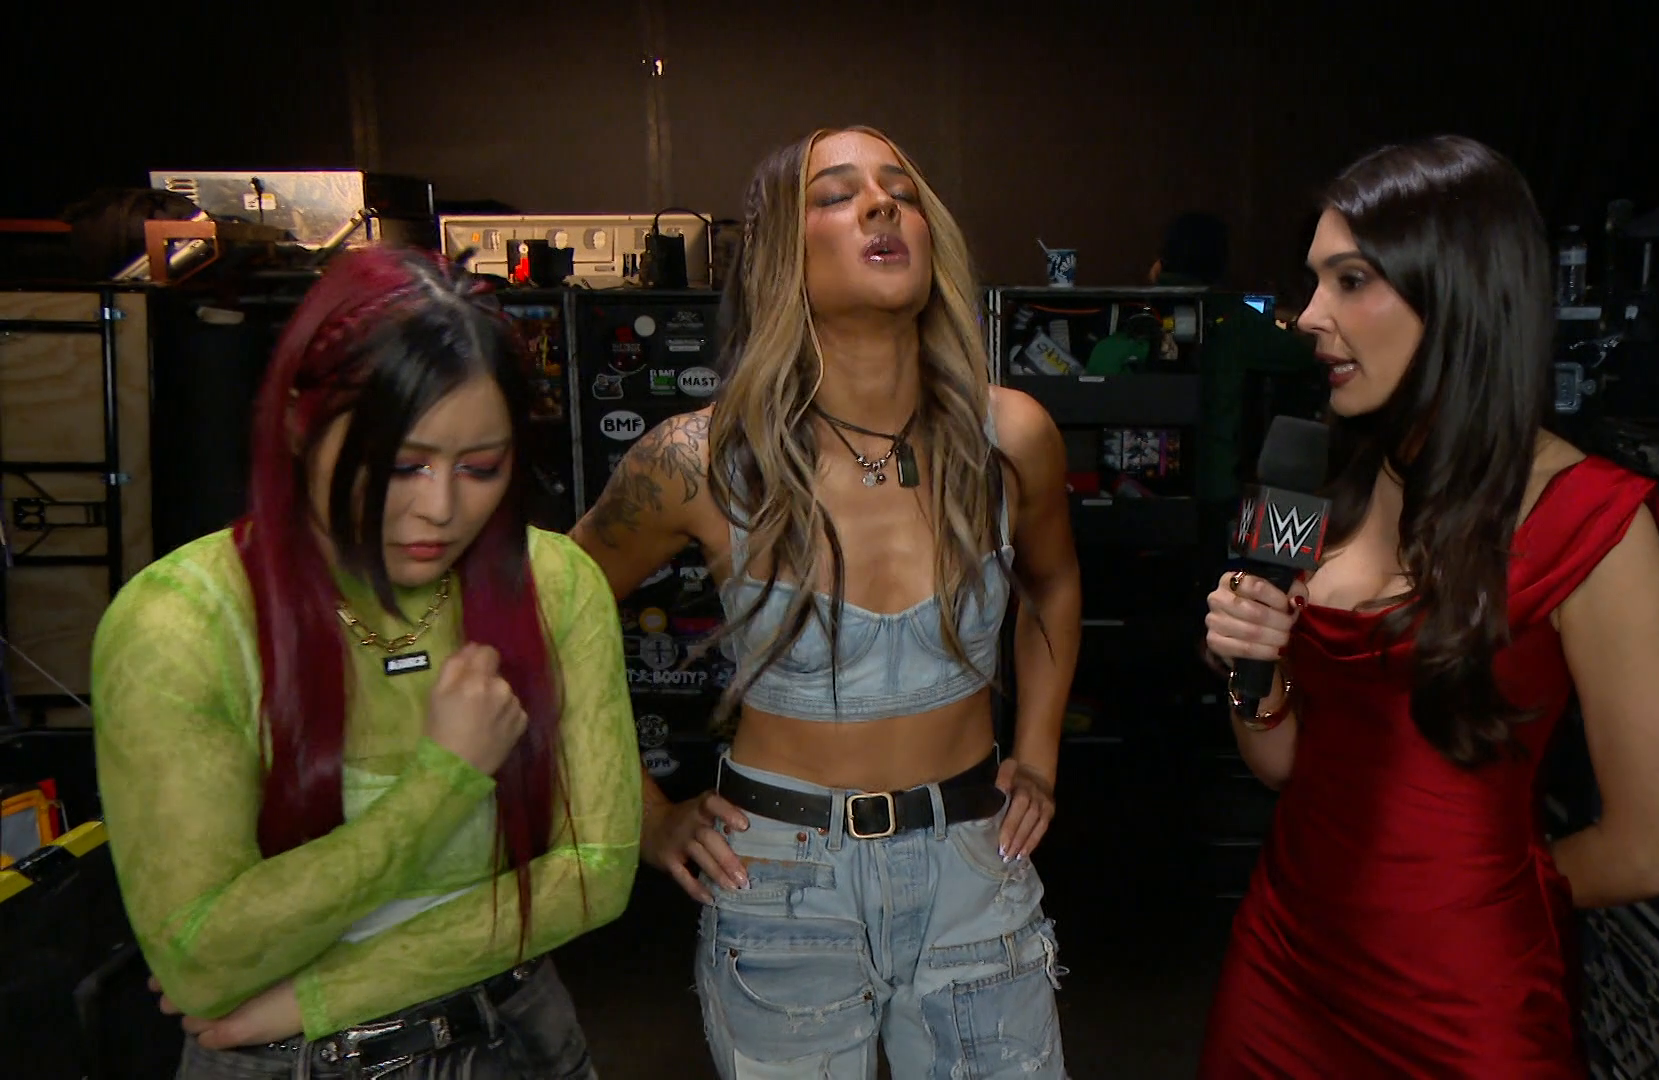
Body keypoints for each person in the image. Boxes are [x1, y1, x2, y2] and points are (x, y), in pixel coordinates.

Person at [569, 125, 1081, 1079]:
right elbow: (551, 613)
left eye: (901, 191)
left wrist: (1041, 758)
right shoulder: (698, 460)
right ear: (778, 250)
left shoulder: (1010, 436)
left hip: (974, 868)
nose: (882, 205)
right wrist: (643, 814)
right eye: (837, 194)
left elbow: (1051, 582)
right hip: (780, 882)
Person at [1196, 136, 1659, 1078]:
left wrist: (1467, 896)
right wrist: (1251, 668)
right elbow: (1281, 765)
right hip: (1282, 972)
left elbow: (1657, 848)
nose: (1309, 316)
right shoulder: (1310, 484)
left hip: (1460, 1009)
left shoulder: (1592, 522)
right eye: (1314, 282)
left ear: (1461, 296)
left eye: (1350, 281)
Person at [90, 247, 641, 1078]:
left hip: (514, 1039)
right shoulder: (183, 620)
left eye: (480, 468)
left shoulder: (555, 583)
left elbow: (597, 873)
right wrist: (446, 778)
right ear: (297, 425)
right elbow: (201, 957)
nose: (440, 508)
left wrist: (322, 994)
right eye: (401, 465)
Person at [1147, 211, 1322, 506]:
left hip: (1144, 480)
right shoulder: (1231, 316)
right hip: (1213, 485)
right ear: (1219, 260)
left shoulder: (1143, 305)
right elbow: (1305, 354)